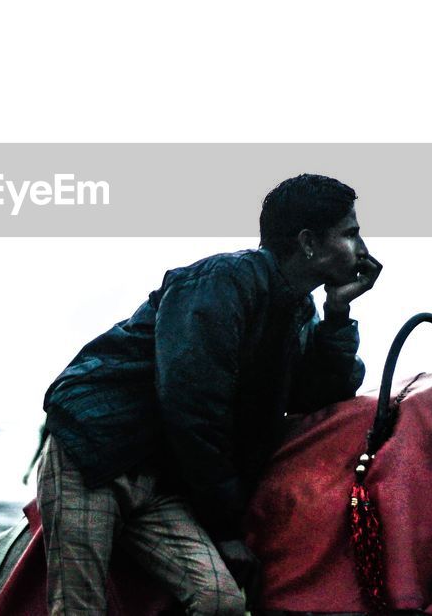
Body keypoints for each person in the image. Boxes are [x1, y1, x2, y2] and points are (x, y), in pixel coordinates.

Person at [38, 174, 379, 614]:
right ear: (309, 242)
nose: (363, 249)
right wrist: (226, 530)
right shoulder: (221, 283)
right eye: (351, 234)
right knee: (79, 608)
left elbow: (319, 396)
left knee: (220, 602)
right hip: (98, 453)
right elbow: (193, 408)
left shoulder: (296, 310)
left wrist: (337, 313)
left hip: (162, 479)